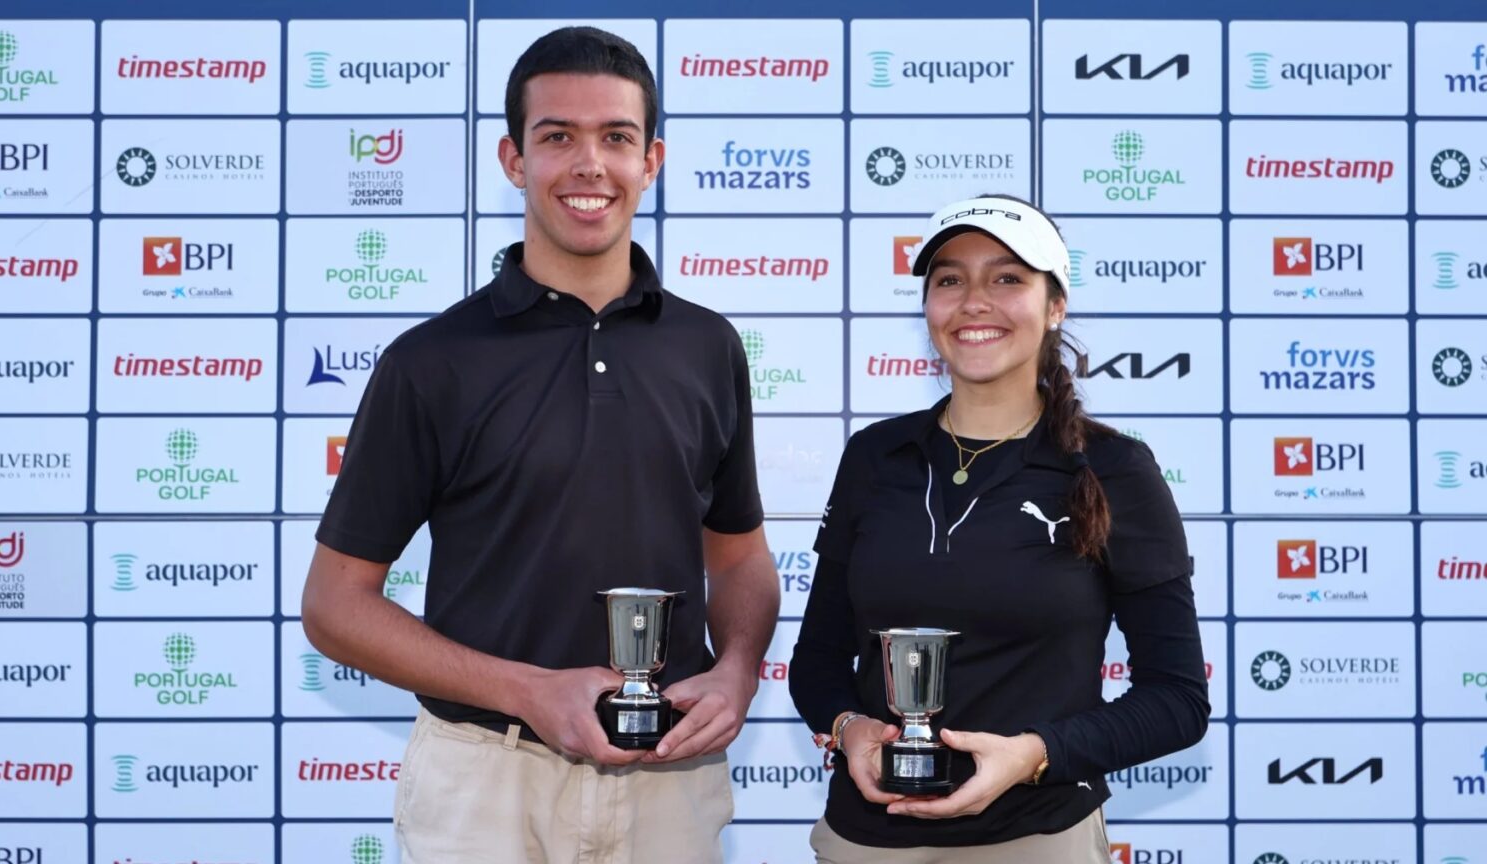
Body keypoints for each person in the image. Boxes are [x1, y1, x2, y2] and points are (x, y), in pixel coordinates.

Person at [301, 26, 780, 864]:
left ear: (652, 160)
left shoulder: (709, 347)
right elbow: (335, 607)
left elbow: (738, 560)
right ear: (514, 160)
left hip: (670, 778)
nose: (589, 164)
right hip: (486, 779)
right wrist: (530, 692)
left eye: (616, 138)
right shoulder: (432, 361)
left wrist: (739, 667)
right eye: (558, 136)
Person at [789, 194, 1210, 863]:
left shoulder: (1113, 469)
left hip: (1038, 839)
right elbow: (815, 663)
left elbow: (1178, 700)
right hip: (865, 842)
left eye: (1008, 278)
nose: (975, 300)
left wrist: (1034, 755)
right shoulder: (875, 457)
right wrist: (848, 727)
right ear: (927, 307)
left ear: (1055, 306)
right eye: (950, 279)